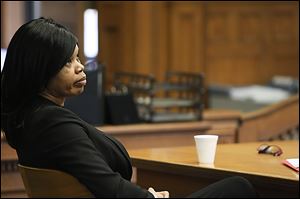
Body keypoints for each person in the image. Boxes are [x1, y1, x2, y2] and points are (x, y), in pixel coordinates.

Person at [1, 17, 258, 198]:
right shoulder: (51, 124)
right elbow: (109, 186)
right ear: (40, 70)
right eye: (67, 62)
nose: (80, 66)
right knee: (239, 186)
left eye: (77, 57)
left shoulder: (28, 120)